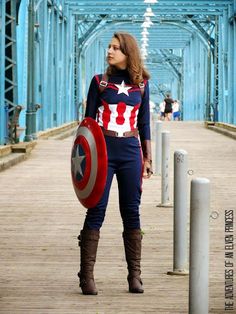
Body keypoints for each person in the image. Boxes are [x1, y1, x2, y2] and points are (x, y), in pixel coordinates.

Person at [78, 32, 152, 295]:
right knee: (96, 209)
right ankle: (86, 276)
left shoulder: (141, 85)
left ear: (128, 53)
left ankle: (135, 276)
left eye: (116, 48)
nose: (109, 51)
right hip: (103, 152)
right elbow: (86, 126)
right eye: (109, 47)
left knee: (131, 211)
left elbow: (144, 124)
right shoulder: (99, 82)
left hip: (130, 150)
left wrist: (147, 157)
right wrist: (83, 162)